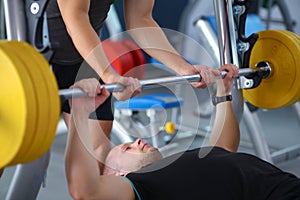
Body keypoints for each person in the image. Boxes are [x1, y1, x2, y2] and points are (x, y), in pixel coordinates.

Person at [65, 64, 300, 200]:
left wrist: (223, 92)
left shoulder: (177, 171)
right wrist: (79, 112)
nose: (136, 140)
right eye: (126, 148)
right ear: (117, 177)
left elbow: (224, 148)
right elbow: (85, 191)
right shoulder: (143, 187)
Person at [46, 0, 211, 169]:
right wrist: (109, 75)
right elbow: (76, 18)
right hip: (36, 58)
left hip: (81, 59)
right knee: (37, 161)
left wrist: (184, 68)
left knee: (97, 160)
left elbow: (141, 20)